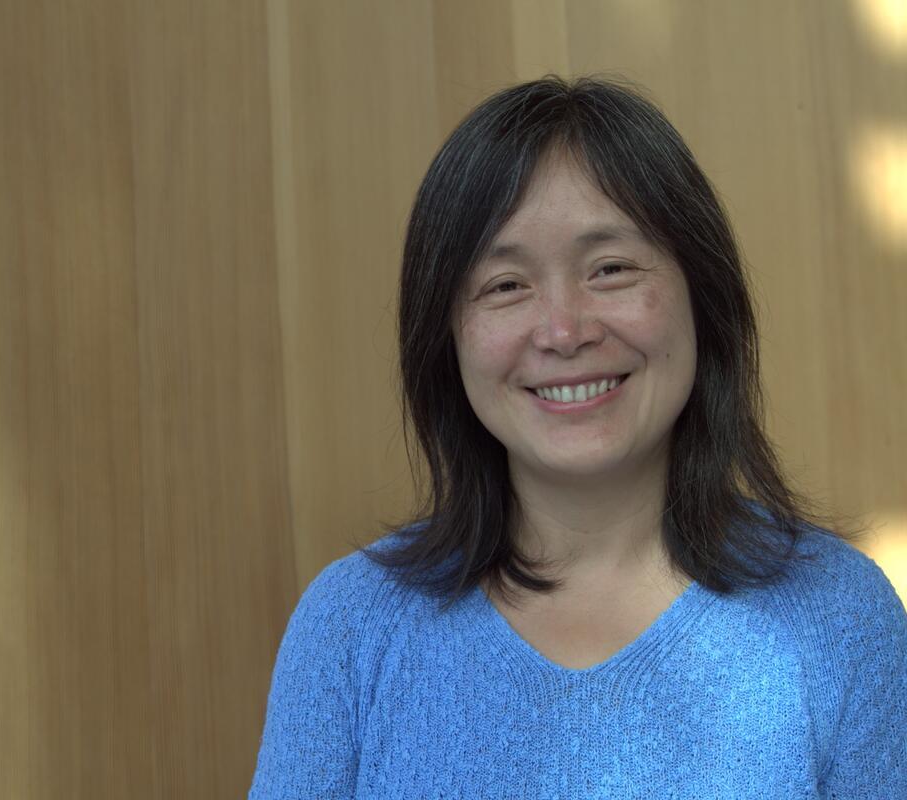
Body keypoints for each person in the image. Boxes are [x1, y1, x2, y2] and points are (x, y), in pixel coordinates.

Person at [248, 75, 907, 798]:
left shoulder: (838, 619)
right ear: (446, 338)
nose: (563, 331)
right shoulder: (350, 628)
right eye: (506, 285)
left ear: (703, 298)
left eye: (610, 269)